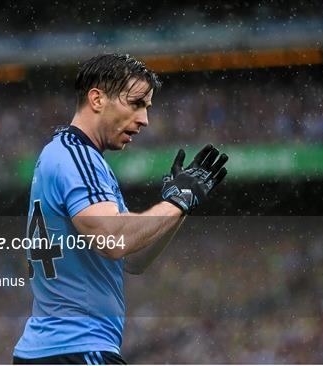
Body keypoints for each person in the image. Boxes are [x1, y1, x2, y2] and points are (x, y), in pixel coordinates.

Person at [13, 54, 228, 364]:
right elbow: (113, 240)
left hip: (56, 350)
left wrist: (179, 207)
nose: (144, 119)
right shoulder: (77, 157)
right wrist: (176, 202)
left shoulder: (69, 155)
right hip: (75, 350)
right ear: (97, 99)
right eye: (136, 103)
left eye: (147, 108)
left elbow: (133, 260)